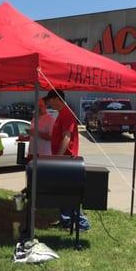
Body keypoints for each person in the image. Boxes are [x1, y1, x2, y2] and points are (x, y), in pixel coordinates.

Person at [44, 89, 90, 231]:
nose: (49, 104)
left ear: (56, 99)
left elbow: (67, 137)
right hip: (62, 159)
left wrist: (57, 157)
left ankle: (82, 223)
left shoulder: (67, 113)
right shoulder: (61, 114)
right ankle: (66, 220)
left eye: (50, 100)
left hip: (67, 160)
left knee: (70, 193)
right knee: (62, 192)